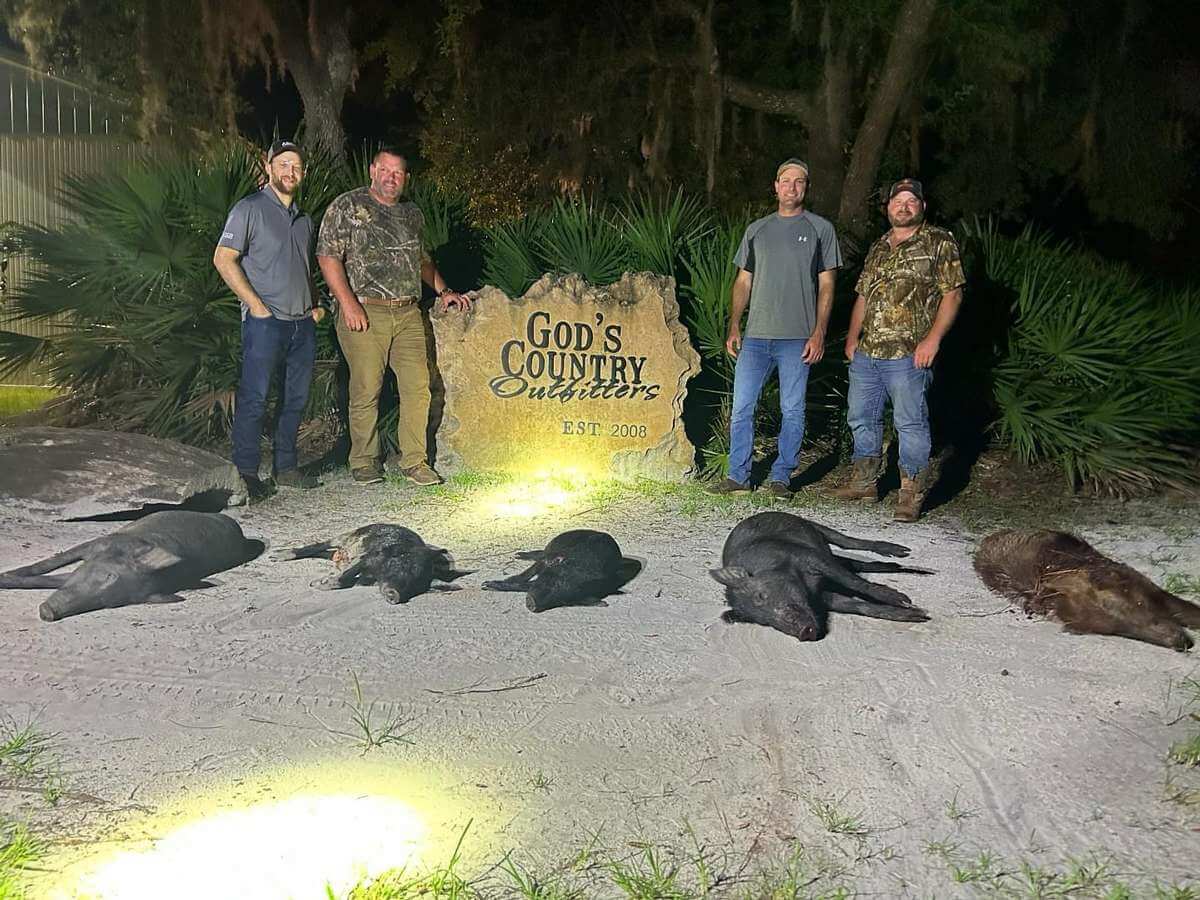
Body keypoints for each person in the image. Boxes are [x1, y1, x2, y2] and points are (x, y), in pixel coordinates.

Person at [316, 149, 470, 486]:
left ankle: (414, 461)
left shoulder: (411, 213)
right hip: (365, 309)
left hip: (407, 312)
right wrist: (348, 304)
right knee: (366, 389)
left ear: (406, 178)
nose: (391, 177)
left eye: (398, 172)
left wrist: (444, 291)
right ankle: (364, 460)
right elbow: (328, 257)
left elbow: (421, 260)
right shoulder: (347, 206)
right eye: (385, 170)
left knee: (418, 388)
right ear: (373, 170)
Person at [828, 178, 965, 522]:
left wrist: (933, 340)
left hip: (909, 353)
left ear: (922, 206)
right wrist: (852, 337)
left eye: (911, 201)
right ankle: (864, 481)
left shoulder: (938, 241)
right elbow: (863, 295)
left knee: (910, 422)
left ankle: (910, 491)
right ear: (888, 207)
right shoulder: (879, 246)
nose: (903, 207)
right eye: (897, 201)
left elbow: (953, 294)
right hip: (868, 352)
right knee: (861, 416)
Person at [707, 158, 843, 499]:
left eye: (799, 181)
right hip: (755, 337)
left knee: (792, 409)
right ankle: (738, 476)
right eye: (786, 181)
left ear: (806, 188)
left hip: (797, 338)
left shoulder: (821, 229)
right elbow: (743, 281)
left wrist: (819, 332)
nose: (791, 187)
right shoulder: (757, 230)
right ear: (776, 186)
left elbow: (827, 285)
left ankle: (781, 477)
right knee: (742, 407)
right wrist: (734, 324)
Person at [214, 138, 322, 501]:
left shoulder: (305, 220)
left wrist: (315, 305)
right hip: (265, 323)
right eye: (283, 164)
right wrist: (256, 306)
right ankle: (246, 473)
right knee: (255, 398)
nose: (290, 171)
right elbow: (223, 258)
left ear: (303, 173)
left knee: (296, 398)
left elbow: (303, 268)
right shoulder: (249, 209)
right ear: (269, 168)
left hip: (302, 325)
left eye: (296, 166)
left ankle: (285, 467)